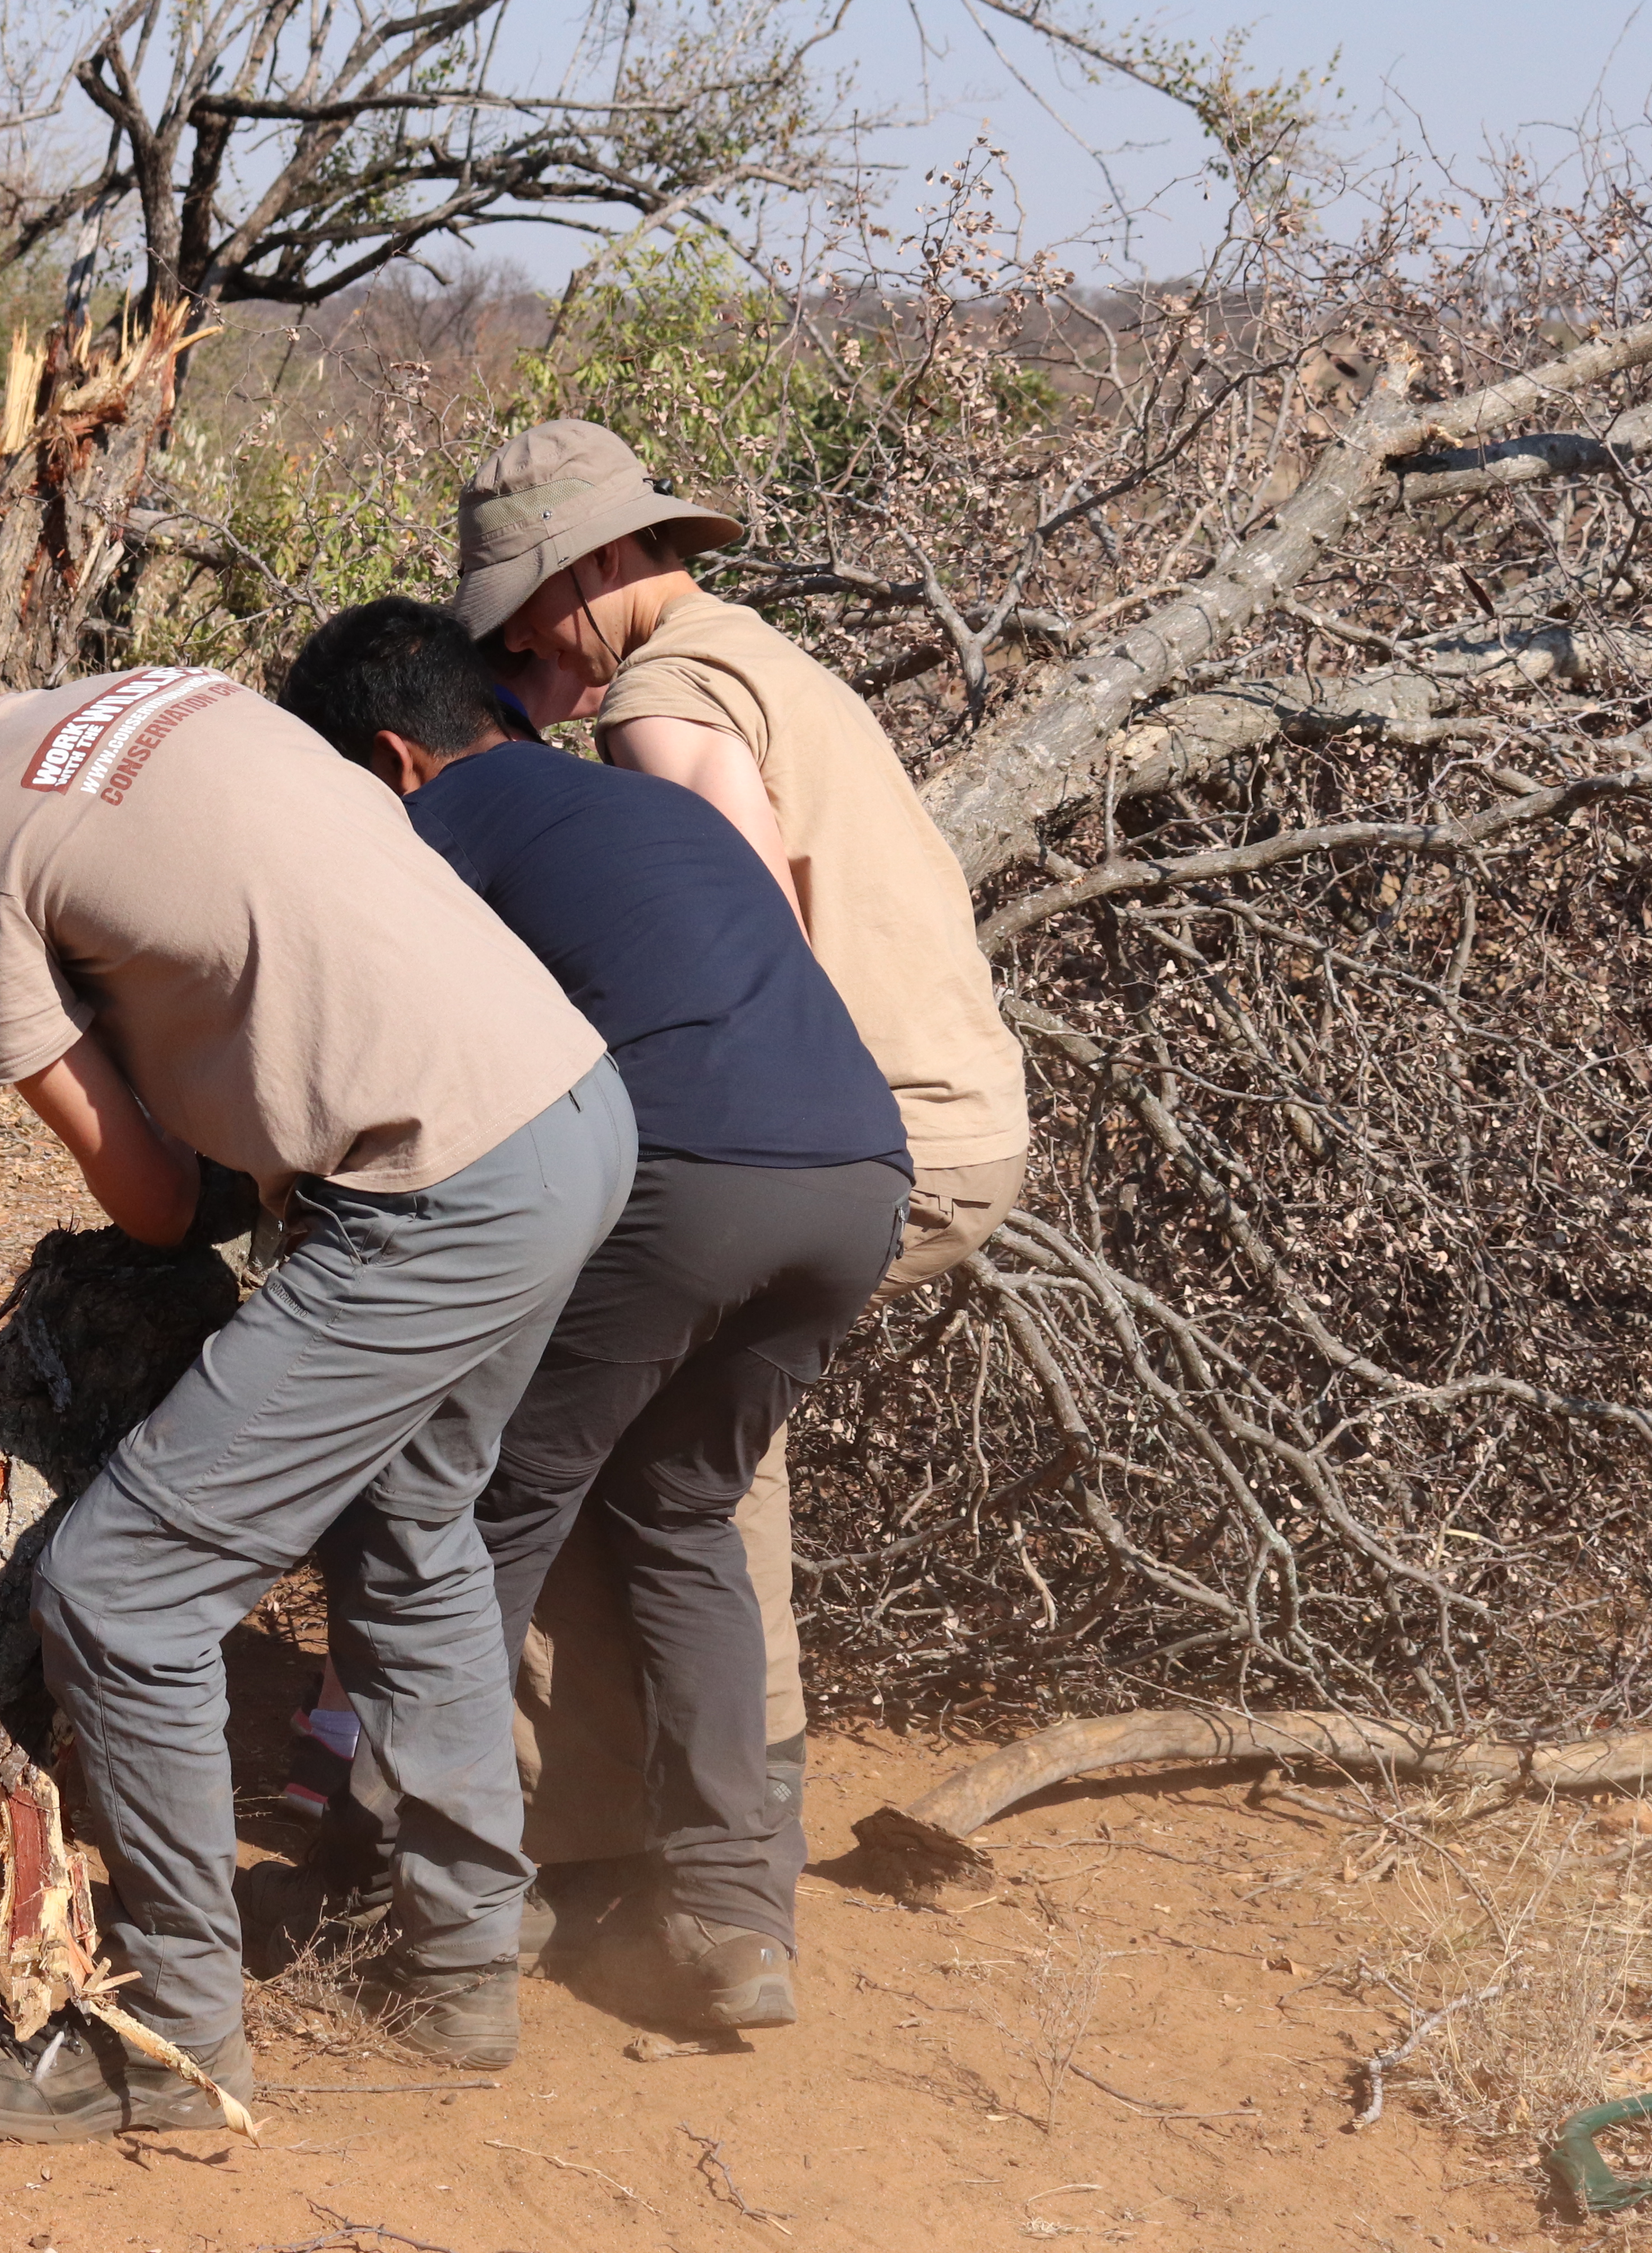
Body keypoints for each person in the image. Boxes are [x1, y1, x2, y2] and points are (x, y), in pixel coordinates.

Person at [0, 593, 632, 2141]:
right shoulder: (161, 687)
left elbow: (150, 1202)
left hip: (428, 1192)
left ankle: (166, 2041)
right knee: (409, 1538)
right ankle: (467, 1961)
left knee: (124, 1592)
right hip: (573, 1115)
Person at [453, 418, 1031, 2015]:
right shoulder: (762, 656)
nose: (511, 659)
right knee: (675, 1464)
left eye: (514, 619)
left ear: (589, 574)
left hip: (844, 1124)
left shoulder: (663, 696)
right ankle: (696, 1887)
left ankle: (615, 1875)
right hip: (939, 1115)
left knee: (644, 1467)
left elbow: (737, 956)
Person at [271, 597, 909, 2031]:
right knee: (681, 1513)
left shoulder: (438, 832)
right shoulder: (638, 799)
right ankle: (738, 1914)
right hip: (857, 1174)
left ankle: (416, 1887)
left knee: (476, 1510)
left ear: (395, 754)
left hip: (687, 1176)